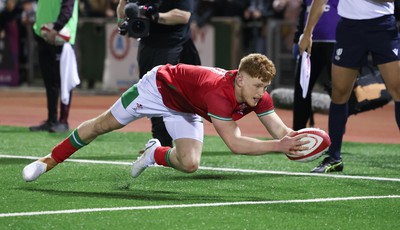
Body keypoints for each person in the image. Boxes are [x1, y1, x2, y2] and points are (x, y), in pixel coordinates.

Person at [22, 53, 310, 182]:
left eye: (265, 87)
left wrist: (299, 141)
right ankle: (49, 160)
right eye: (258, 86)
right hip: (157, 88)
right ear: (240, 79)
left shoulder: (256, 94)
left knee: (190, 163)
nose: (262, 93)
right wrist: (278, 147)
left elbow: (279, 130)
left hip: (185, 106)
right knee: (101, 125)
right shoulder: (217, 94)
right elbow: (234, 143)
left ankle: (154, 154)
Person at [299, 0, 400, 173]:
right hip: (349, 28)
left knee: (397, 90)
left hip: (382, 26)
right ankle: (334, 157)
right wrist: (308, 33)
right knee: (339, 92)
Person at [117, 0, 201, 148]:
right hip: (148, 43)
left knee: (177, 97)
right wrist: (123, 19)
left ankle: (183, 141)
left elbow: (183, 16)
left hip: (174, 43)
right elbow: (122, 13)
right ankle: (161, 143)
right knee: (150, 93)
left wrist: (154, 17)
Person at [29, 0, 80, 133]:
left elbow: (67, 10)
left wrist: (56, 28)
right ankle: (51, 120)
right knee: (49, 81)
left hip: (62, 38)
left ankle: (63, 121)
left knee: (64, 82)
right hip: (44, 37)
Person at [292, 0, 339, 130]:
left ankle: (335, 140)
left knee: (338, 92)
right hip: (310, 42)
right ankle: (297, 132)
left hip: (335, 41)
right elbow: (304, 12)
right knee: (301, 89)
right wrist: (298, 39)